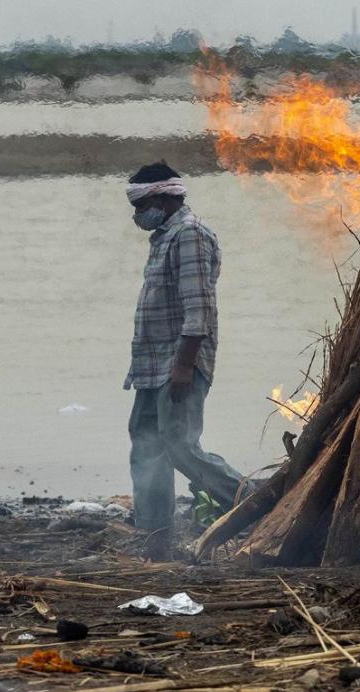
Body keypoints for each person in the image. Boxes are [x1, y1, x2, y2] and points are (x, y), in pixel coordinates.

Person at [123, 162, 243, 560]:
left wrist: (183, 367)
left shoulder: (190, 235)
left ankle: (252, 502)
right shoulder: (164, 237)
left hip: (178, 365)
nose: (138, 213)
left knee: (179, 446)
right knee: (146, 444)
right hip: (151, 365)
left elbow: (199, 311)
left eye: (141, 204)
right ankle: (156, 538)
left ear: (162, 197)